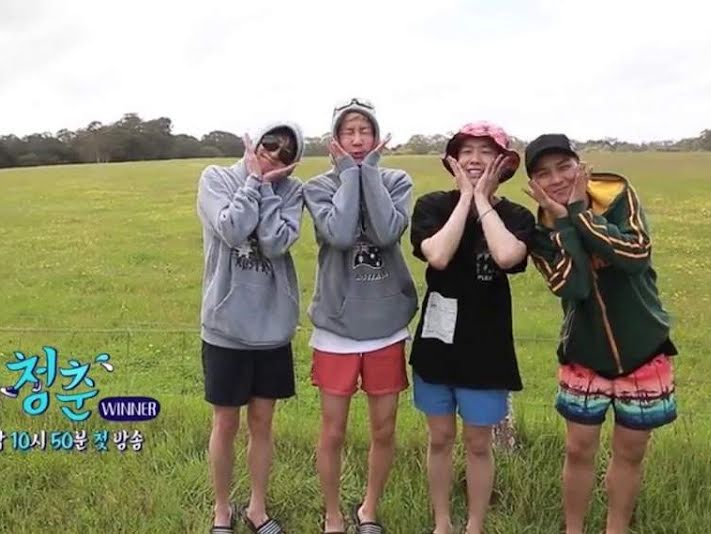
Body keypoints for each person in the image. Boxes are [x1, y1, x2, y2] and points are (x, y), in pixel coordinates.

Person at [524, 133, 677, 534]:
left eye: (564, 167)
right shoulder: (540, 230)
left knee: (631, 451)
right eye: (544, 174)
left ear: (581, 166)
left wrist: (581, 212)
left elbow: (634, 256)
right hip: (584, 353)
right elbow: (573, 286)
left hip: (644, 348)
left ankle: (616, 529)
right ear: (534, 184)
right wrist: (564, 221)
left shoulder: (617, 195)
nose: (557, 179)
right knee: (578, 449)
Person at [409, 121, 534, 534]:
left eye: (486, 152)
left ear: (504, 163)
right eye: (466, 152)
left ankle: (475, 525)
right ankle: (442, 522)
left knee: (479, 443)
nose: (475, 159)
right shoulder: (432, 206)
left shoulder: (515, 216)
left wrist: (482, 199)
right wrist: (465, 198)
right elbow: (438, 255)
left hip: (487, 346)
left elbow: (506, 256)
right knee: (440, 438)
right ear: (453, 161)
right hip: (437, 342)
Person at [303, 98, 418, 534]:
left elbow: (387, 232)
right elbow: (338, 233)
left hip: (386, 326)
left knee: (383, 429)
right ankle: (333, 514)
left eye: (364, 131)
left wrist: (368, 174)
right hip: (336, 327)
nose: (357, 140)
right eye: (348, 132)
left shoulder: (396, 181)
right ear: (334, 140)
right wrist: (349, 175)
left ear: (376, 137)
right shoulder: (318, 187)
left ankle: (369, 509)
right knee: (333, 430)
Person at [196, 122, 305, 534]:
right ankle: (222, 510)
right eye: (269, 144)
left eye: (285, 153)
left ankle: (257, 508)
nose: (273, 155)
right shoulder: (216, 178)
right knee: (225, 423)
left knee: (262, 422)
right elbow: (231, 229)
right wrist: (253, 183)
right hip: (225, 326)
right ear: (255, 142)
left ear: (293, 162)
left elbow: (276, 242)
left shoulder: (292, 191)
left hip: (272, 327)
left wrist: (268, 188)